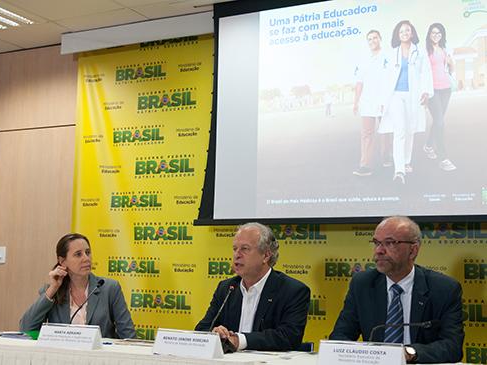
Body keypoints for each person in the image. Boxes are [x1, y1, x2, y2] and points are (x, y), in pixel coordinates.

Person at [329, 216, 464, 363]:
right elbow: (340, 337)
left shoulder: (444, 289)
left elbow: (452, 347)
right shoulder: (362, 284)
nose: (379, 251)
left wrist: (407, 353)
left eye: (390, 243)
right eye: (376, 243)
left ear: (413, 250)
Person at [195, 222, 310, 351]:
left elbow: (288, 338)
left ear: (266, 255)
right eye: (235, 249)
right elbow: (201, 329)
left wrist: (240, 340)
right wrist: (215, 333)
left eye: (245, 249)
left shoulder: (292, 291)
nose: (237, 255)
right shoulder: (227, 288)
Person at [20, 233, 135, 339]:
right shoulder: (52, 291)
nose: (86, 258)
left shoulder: (109, 288)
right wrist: (53, 288)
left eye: (88, 252)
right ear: (63, 261)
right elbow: (26, 328)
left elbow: (128, 335)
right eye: (78, 254)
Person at [379, 21, 433, 184]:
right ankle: (399, 170)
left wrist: (426, 91)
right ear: (397, 34)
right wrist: (382, 99)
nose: (404, 32)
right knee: (400, 130)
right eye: (401, 30)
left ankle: (406, 161)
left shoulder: (419, 52)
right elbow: (385, 78)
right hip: (395, 95)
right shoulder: (391, 53)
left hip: (413, 95)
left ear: (412, 33)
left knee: (410, 130)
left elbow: (426, 72)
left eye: (407, 30)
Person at [353, 30, 392, 177]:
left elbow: (390, 79)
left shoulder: (387, 57)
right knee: (367, 134)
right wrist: (356, 102)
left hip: (384, 100)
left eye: (375, 38)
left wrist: (387, 98)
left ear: (380, 39)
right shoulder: (364, 60)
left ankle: (386, 156)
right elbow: (359, 82)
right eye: (369, 39)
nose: (372, 41)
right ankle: (365, 165)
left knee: (385, 130)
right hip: (367, 102)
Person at [424, 23, 457, 171]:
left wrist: (451, 62)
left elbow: (451, 69)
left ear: (442, 35)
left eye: (438, 33)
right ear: (429, 35)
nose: (436, 35)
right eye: (433, 33)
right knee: (440, 122)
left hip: (446, 89)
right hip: (432, 91)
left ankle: (428, 145)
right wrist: (423, 92)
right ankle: (443, 158)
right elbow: (422, 73)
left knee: (439, 121)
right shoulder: (425, 51)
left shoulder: (444, 49)